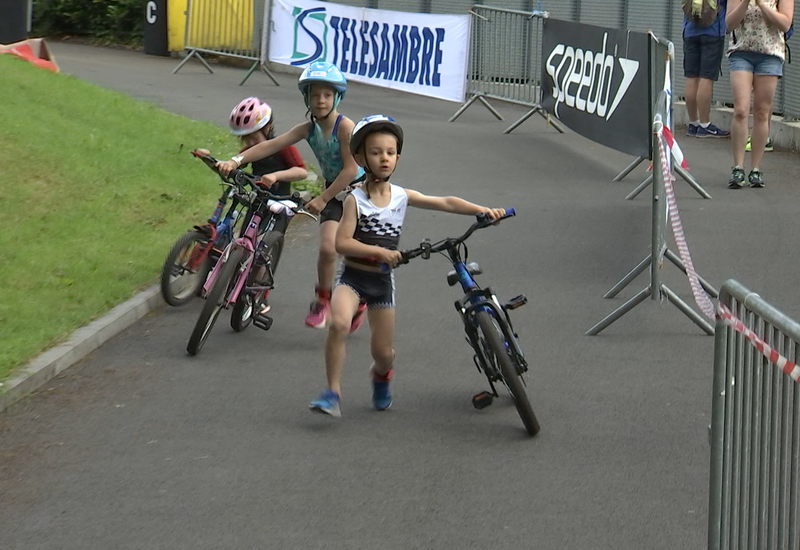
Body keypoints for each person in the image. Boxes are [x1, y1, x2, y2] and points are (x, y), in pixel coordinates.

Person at [308, 115, 507, 417]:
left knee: (384, 354)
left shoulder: (401, 196)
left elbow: (445, 202)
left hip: (382, 284)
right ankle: (332, 392)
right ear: (361, 157)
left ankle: (381, 375)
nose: (384, 158)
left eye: (390, 152)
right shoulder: (355, 200)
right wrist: (379, 251)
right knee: (338, 324)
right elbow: (342, 243)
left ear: (397, 156)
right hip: (352, 278)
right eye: (375, 152)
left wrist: (483, 210)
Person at [216, 61, 366, 331]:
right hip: (335, 191)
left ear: (337, 97)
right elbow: (271, 145)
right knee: (327, 249)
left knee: (355, 254)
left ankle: (360, 297)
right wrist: (236, 160)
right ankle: (323, 300)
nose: (321, 100)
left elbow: (350, 169)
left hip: (359, 192)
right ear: (306, 97)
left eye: (327, 95)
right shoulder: (308, 129)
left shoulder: (345, 127)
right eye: (315, 94)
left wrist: (321, 198)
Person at [195, 96, 308, 313]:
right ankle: (233, 280)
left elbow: (301, 171)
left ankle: (260, 294)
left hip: (279, 205)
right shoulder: (250, 151)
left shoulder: (282, 146)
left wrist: (275, 175)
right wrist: (211, 161)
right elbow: (233, 167)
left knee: (264, 252)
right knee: (246, 242)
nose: (250, 144)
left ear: (267, 128)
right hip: (257, 203)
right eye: (245, 139)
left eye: (253, 137)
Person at [725, 0, 794, 188]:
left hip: (770, 54)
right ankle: (737, 166)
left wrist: (763, 5)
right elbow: (729, 23)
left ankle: (755, 168)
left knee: (762, 111)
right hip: (741, 52)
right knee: (740, 109)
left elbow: (785, 23)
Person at [683, 0, 731, 138]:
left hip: (690, 30)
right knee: (706, 77)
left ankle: (693, 123)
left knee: (691, 76)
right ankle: (704, 124)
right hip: (713, 30)